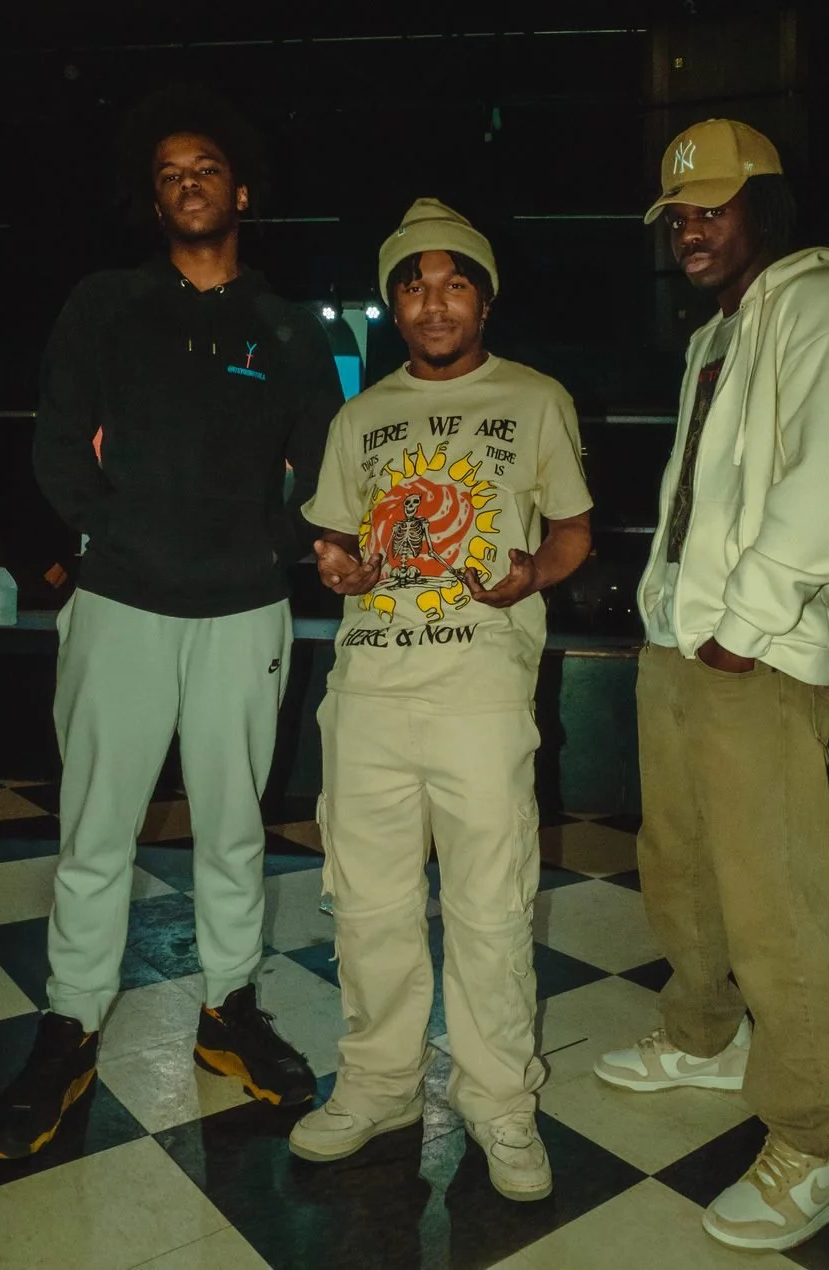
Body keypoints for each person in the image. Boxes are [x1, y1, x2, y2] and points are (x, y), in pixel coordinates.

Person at [0, 86, 344, 1159]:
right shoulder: (104, 303)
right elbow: (55, 445)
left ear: (241, 189)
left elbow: (323, 461)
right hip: (120, 604)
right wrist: (114, 532)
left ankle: (229, 1007)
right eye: (167, 175)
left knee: (233, 828)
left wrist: (273, 543)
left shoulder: (284, 328)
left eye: (205, 170)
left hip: (244, 611)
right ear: (157, 200)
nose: (187, 184)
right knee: (96, 831)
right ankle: (71, 1020)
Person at [594, 119, 829, 1251]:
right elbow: (697, 497)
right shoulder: (715, 333)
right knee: (678, 865)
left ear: (766, 203)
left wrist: (743, 630)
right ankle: (705, 1031)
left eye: (711, 206)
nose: (688, 228)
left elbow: (825, 494)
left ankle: (819, 1143)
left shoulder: (814, 300)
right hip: (688, 642)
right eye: (675, 213)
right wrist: (671, 614)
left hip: (755, 655)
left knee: (771, 902)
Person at [289, 199, 593, 1201]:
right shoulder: (358, 415)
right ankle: (379, 1084)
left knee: (491, 908)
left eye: (452, 280)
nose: (432, 299)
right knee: (368, 906)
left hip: (479, 693)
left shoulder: (537, 398)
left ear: (484, 297)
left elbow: (569, 535)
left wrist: (529, 577)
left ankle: (499, 1101)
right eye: (412, 284)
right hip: (369, 690)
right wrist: (334, 563)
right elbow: (335, 541)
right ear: (392, 302)